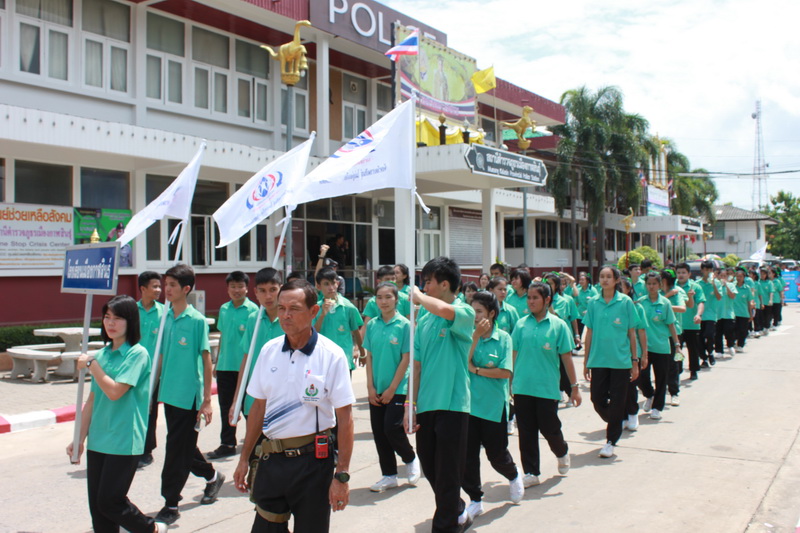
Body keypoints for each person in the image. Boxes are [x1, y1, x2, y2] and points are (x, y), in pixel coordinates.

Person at [233, 280, 356, 533]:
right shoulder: (268, 351)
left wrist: (341, 476)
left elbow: (346, 418)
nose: (285, 315)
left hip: (313, 463)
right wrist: (244, 458)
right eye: (281, 308)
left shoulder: (331, 355)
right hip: (271, 460)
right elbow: (258, 408)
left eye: (294, 308)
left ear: (313, 311)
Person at [67, 295, 166, 533]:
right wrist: (79, 439)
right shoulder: (101, 354)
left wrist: (91, 365)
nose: (110, 323)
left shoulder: (137, 354)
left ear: (130, 321)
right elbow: (92, 401)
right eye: (107, 317)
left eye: (118, 318)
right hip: (99, 438)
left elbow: (115, 392)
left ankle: (150, 529)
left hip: (123, 438)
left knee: (110, 501)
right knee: (98, 510)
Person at [405, 256, 475, 533]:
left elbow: (445, 310)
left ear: (444, 284)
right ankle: (457, 508)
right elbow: (417, 365)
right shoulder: (423, 317)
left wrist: (419, 297)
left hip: (454, 404)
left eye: (428, 283)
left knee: (447, 474)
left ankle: (445, 527)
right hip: (426, 404)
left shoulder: (463, 312)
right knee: (431, 470)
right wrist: (409, 403)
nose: (425, 287)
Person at [155, 264, 224, 525]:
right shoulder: (166, 316)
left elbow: (206, 359)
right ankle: (212, 476)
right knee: (182, 445)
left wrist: (207, 400)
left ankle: (171, 503)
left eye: (172, 285)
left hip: (188, 397)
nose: (167, 289)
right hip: (169, 393)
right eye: (166, 284)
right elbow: (161, 355)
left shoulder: (195, 320)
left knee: (176, 449)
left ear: (186, 289)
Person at [512, 282, 581, 488]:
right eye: (529, 298)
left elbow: (567, 358)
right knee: (526, 432)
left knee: (550, 429)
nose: (531, 301)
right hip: (522, 387)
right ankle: (531, 471)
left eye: (535, 298)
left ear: (547, 300)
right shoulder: (521, 324)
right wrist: (508, 384)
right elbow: (513, 356)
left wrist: (574, 387)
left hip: (547, 388)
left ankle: (561, 451)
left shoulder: (558, 325)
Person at [462, 291, 523, 519]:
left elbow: (505, 372)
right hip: (468, 406)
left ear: (492, 313)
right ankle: (475, 499)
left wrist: (477, 369)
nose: (474, 316)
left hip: (492, 407)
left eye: (479, 311)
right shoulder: (468, 334)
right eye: (472, 311)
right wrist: (475, 336)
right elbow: (461, 361)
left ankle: (513, 474)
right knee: (468, 456)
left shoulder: (504, 338)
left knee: (496, 454)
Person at [364, 282, 421, 493]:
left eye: (388, 297)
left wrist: (392, 388)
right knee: (379, 432)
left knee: (391, 428)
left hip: (397, 387)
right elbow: (368, 357)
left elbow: (406, 359)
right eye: (379, 297)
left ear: (396, 299)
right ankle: (388, 475)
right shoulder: (372, 325)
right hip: (376, 386)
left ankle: (410, 457)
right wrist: (370, 387)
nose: (384, 301)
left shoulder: (405, 325)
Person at [229, 268, 284, 467]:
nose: (268, 296)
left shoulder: (290, 318)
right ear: (255, 293)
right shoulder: (253, 319)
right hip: (256, 398)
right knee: (256, 452)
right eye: (262, 290)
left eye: (273, 289)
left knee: (280, 455)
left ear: (281, 289)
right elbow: (246, 359)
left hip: (283, 398)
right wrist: (237, 399)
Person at [583, 266, 638, 458]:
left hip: (621, 361)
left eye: (609, 277)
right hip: (598, 359)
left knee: (617, 400)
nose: (605, 280)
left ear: (616, 280)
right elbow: (589, 332)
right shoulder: (593, 303)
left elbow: (632, 333)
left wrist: (635, 360)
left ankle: (610, 441)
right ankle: (616, 418)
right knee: (597, 399)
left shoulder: (626, 302)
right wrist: (585, 360)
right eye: (602, 276)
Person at [208, 271, 258, 459]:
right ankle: (227, 443)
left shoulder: (253, 310)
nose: (237, 290)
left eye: (240, 286)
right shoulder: (224, 309)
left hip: (244, 368)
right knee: (225, 406)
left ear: (247, 288)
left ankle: (255, 442)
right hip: (225, 365)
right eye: (233, 287)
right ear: (228, 289)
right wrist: (217, 361)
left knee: (247, 407)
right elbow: (223, 336)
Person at [637, 272, 681, 421]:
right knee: (641, 378)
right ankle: (649, 395)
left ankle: (657, 407)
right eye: (648, 284)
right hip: (643, 347)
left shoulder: (665, 303)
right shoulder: (641, 302)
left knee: (661, 377)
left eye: (654, 284)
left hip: (661, 346)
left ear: (660, 285)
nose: (651, 286)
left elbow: (671, 324)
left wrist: (677, 344)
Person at [314, 267, 365, 372]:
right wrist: (323, 314)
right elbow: (313, 333)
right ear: (318, 286)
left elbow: (356, 331)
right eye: (326, 284)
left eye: (333, 283)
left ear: (337, 283)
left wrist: (362, 353)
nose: (331, 287)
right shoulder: (316, 309)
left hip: (344, 360)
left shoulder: (348, 307)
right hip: (322, 361)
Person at [137, 271, 164, 469]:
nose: (158, 290)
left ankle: (147, 450)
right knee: (132, 409)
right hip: (132, 369)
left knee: (150, 410)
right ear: (143, 289)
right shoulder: (131, 311)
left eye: (159, 286)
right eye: (154, 286)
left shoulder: (164, 312)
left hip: (154, 370)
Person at [618, 278, 648, 431]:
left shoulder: (637, 308)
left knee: (631, 386)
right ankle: (622, 416)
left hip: (632, 353)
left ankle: (632, 414)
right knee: (618, 389)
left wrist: (644, 354)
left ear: (629, 289)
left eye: (621, 287)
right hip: (616, 354)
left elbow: (641, 331)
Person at [675, 262, 705, 380]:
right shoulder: (673, 286)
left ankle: (693, 370)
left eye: (683, 273)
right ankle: (677, 369)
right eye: (678, 273)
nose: (681, 275)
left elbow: (701, 302)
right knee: (677, 349)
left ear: (689, 274)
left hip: (691, 324)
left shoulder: (695, 287)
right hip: (677, 324)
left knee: (693, 349)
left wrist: (698, 315)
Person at [661, 269, 686, 405]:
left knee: (674, 364)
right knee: (662, 364)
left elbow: (682, 308)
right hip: (659, 334)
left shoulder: (677, 292)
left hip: (674, 333)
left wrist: (666, 303)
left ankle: (674, 392)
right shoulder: (658, 293)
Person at [362, 266, 411, 330]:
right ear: (379, 281)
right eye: (387, 279)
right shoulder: (372, 302)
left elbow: (411, 322)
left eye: (393, 279)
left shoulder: (405, 299)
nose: (391, 282)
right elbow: (366, 327)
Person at [697, 260, 723, 366]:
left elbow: (719, 297)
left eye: (710, 270)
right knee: (700, 338)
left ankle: (711, 352)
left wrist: (713, 284)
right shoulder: (697, 284)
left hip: (711, 314)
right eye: (705, 270)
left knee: (709, 335)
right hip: (699, 315)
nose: (708, 272)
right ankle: (704, 358)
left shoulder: (716, 283)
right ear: (702, 270)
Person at [713, 268, 738, 359]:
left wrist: (726, 286)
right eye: (721, 276)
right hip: (717, 313)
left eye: (725, 276)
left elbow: (732, 296)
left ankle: (730, 345)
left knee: (729, 331)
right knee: (718, 333)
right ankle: (719, 351)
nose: (723, 278)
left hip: (728, 313)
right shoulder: (715, 286)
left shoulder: (731, 285)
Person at [733, 268, 755, 352]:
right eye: (737, 276)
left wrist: (751, 314)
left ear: (744, 277)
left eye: (740, 276)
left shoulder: (747, 288)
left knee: (743, 331)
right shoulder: (732, 287)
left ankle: (740, 345)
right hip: (733, 313)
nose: (739, 278)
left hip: (744, 313)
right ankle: (734, 342)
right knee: (734, 329)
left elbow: (750, 302)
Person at [573, 272, 597, 339]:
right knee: (579, 332)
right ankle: (579, 345)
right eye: (580, 280)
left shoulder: (592, 290)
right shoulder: (578, 290)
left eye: (583, 280)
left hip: (589, 315)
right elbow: (576, 301)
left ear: (587, 281)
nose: (581, 281)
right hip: (580, 315)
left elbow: (596, 302)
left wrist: (588, 310)